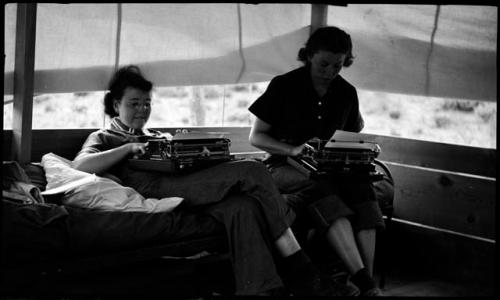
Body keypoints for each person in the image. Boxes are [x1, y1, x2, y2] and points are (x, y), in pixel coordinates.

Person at [72, 65, 359, 296]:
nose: (141, 110)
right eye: (133, 103)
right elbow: (80, 165)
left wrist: (188, 149)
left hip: (184, 185)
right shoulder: (104, 137)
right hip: (152, 187)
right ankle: (302, 269)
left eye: (146, 103)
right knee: (252, 170)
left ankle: (262, 289)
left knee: (243, 205)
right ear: (115, 104)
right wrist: (126, 148)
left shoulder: (157, 136)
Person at [248, 26, 385, 296]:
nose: (330, 72)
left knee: (362, 190)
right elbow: (256, 137)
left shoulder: (347, 93)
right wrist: (294, 149)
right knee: (322, 188)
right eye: (324, 64)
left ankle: (366, 281)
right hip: (281, 164)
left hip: (331, 168)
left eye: (338, 65)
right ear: (309, 56)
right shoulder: (284, 85)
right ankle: (365, 282)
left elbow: (351, 134)